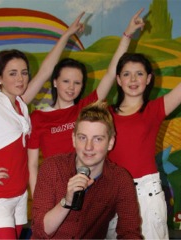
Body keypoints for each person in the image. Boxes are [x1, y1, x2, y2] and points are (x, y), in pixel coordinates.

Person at [0, 12, 85, 239]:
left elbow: (45, 71)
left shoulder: (20, 104)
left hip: (19, 196)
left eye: (24, 73)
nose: (20, 79)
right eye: (12, 73)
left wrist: (66, 36)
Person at [28, 8, 145, 197]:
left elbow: (110, 73)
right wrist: (38, 200)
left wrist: (127, 34)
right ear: (55, 82)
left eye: (77, 82)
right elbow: (32, 165)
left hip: (89, 190)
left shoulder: (86, 108)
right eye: (66, 81)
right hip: (54, 192)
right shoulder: (38, 117)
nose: (71, 87)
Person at [108, 53, 181, 239]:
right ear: (118, 79)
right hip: (113, 192)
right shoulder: (105, 114)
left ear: (149, 78)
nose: (133, 79)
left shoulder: (155, 109)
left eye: (139, 74)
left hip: (146, 193)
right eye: (126, 74)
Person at [31, 101, 142, 239]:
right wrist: (67, 201)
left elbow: (130, 233)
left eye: (97, 139)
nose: (88, 147)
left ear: (111, 142)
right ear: (73, 139)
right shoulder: (52, 167)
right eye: (82, 138)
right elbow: (40, 230)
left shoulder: (120, 180)